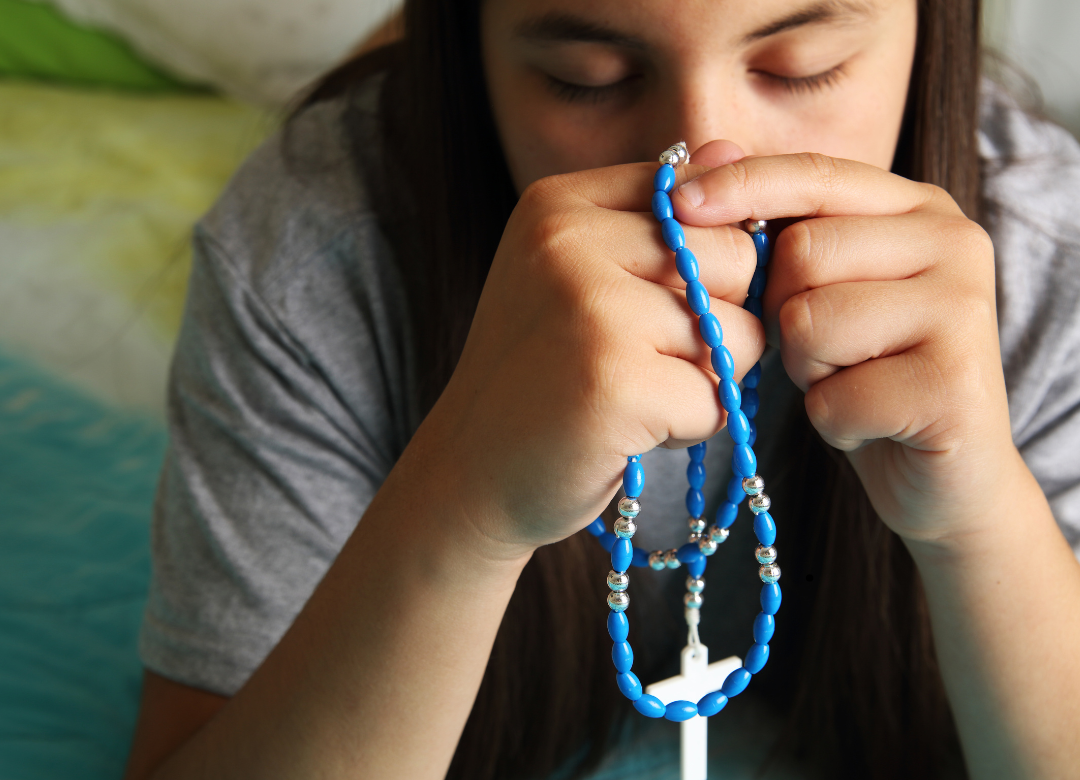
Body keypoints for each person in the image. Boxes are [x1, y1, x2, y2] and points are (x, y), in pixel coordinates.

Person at [121, 0, 1080, 778]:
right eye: (589, 78)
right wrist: (464, 504)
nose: (704, 168)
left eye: (802, 62)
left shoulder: (1044, 263)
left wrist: (981, 521)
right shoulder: (307, 263)